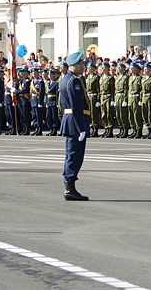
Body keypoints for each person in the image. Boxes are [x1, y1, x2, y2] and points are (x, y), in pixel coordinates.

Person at [60, 51, 90, 201]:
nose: (83, 66)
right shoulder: (74, 82)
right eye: (81, 64)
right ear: (73, 65)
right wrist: (81, 128)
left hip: (70, 121)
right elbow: (76, 106)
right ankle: (69, 188)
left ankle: (69, 186)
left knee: (71, 154)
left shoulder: (66, 79)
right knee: (74, 156)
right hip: (75, 123)